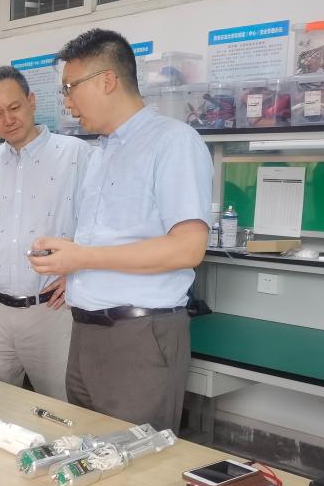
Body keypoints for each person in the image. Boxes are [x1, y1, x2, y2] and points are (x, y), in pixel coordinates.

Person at [29, 28, 212, 433]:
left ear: (107, 80)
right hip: (86, 332)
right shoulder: (101, 152)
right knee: (87, 451)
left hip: (139, 336)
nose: (67, 102)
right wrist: (74, 266)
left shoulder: (173, 143)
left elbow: (188, 248)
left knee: (135, 459)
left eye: (70, 88)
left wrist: (84, 257)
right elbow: (116, 239)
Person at [0, 66, 91, 401]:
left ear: (32, 101)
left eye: (14, 107)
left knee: (62, 410)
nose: (8, 120)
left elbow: (101, 226)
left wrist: (77, 273)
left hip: (52, 310)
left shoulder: (77, 155)